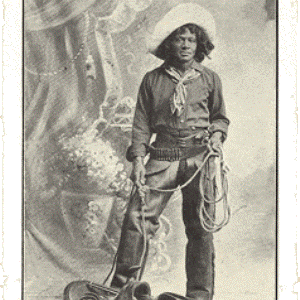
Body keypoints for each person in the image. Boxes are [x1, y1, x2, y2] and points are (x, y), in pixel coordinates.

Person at [110, 4, 230, 300]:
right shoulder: (152, 80)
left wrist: (216, 136)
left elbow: (219, 117)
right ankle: (123, 288)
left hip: (198, 159)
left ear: (199, 44)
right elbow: (140, 125)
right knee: (137, 219)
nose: (186, 45)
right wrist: (138, 159)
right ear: (169, 44)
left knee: (200, 226)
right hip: (161, 156)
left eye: (191, 39)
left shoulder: (210, 79)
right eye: (179, 38)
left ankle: (200, 294)